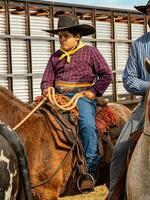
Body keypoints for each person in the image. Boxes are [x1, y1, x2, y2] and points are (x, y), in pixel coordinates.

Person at [40, 14, 112, 192]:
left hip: (81, 97)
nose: (61, 40)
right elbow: (46, 79)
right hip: (57, 97)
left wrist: (93, 91)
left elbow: (106, 75)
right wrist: (46, 89)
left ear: (77, 37)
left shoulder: (90, 52)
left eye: (66, 36)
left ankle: (88, 169)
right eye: (60, 36)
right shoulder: (55, 57)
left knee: (87, 124)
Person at [108, 1, 150, 199]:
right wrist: (149, 86)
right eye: (149, 13)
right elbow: (129, 79)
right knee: (121, 147)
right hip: (148, 104)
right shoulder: (139, 45)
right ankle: (114, 194)